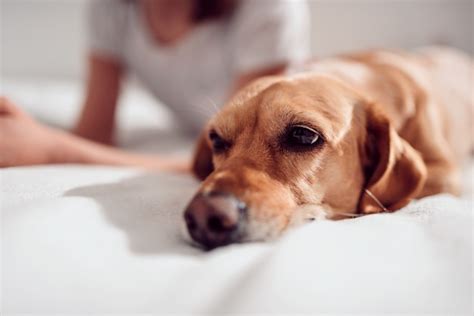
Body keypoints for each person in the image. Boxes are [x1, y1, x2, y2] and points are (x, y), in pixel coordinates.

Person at [0, 0, 310, 171]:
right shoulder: (112, 9)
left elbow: (232, 161)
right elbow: (94, 134)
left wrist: (53, 149)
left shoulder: (269, 8)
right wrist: (27, 133)